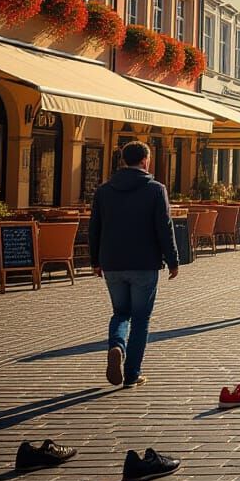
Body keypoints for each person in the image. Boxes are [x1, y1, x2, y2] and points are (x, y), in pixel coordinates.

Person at [90, 141, 179, 388]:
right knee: (141, 318)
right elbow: (165, 227)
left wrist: (94, 261)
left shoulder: (104, 190)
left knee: (121, 313)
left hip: (112, 262)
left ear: (123, 160)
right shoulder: (155, 189)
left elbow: (94, 227)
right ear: (145, 161)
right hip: (144, 263)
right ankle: (132, 374)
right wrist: (173, 260)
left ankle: (117, 345)